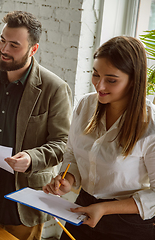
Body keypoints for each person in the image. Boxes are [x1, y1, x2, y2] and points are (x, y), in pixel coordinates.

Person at [0, 11, 72, 240]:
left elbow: (63, 143)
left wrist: (32, 159)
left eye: (14, 45)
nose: (4, 50)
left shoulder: (55, 88)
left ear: (33, 49)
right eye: (2, 40)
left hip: (26, 197)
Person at [43, 36, 155, 240]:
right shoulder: (86, 105)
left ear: (134, 80)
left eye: (111, 80)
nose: (99, 86)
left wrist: (104, 208)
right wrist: (67, 179)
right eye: (95, 75)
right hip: (84, 208)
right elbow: (72, 154)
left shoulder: (150, 125)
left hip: (128, 224)